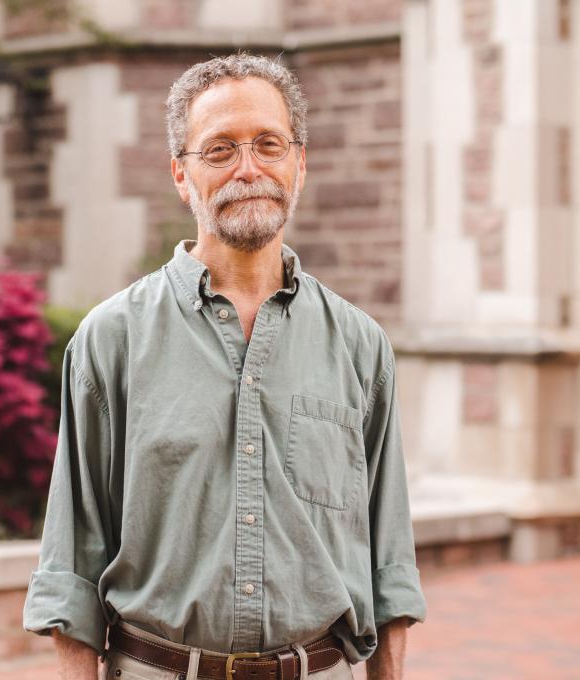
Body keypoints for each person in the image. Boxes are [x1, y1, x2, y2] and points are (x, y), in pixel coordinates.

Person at [23, 52, 427, 680]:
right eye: (219, 150)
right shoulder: (111, 339)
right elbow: (72, 563)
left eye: (269, 144)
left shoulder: (359, 344)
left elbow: (389, 562)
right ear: (182, 176)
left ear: (299, 164)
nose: (249, 168)